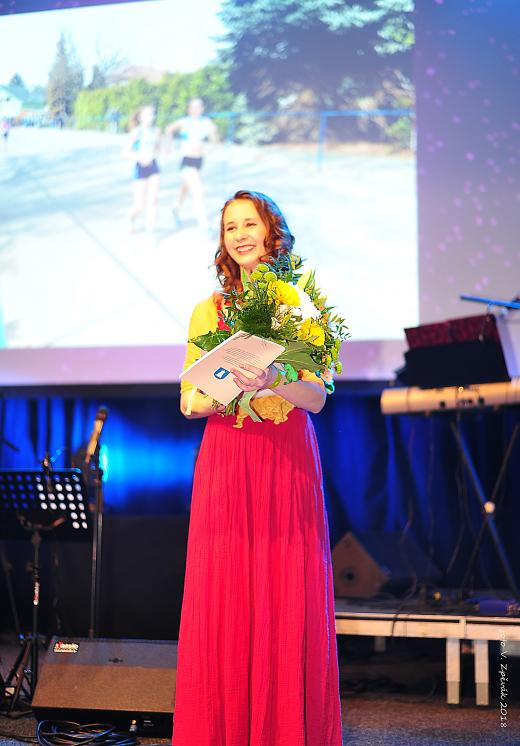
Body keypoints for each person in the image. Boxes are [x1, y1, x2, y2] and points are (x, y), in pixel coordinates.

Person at [173, 190, 343, 745]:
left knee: (286, 585)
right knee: (224, 590)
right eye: (230, 228)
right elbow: (190, 401)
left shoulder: (300, 304)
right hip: (228, 456)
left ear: (273, 232)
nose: (241, 235)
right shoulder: (209, 309)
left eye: (250, 224)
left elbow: (316, 398)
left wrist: (274, 379)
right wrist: (225, 388)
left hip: (285, 456)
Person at [165, 98, 218, 231]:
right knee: (198, 190)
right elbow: (169, 129)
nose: (196, 109)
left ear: (202, 108)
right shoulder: (184, 122)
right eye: (193, 107)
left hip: (199, 161)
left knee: (186, 188)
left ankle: (175, 208)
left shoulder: (206, 122)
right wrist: (169, 146)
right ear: (189, 109)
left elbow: (215, 139)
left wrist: (211, 146)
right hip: (187, 161)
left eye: (199, 107)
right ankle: (205, 225)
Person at [124, 105, 161, 234]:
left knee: (153, 201)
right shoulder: (136, 132)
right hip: (140, 168)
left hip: (153, 166)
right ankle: (130, 218)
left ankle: (150, 232)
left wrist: (156, 153)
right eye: (148, 114)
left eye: (152, 114)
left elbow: (158, 148)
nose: (151, 117)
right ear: (141, 117)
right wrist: (140, 158)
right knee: (140, 205)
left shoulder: (156, 131)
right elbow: (125, 153)